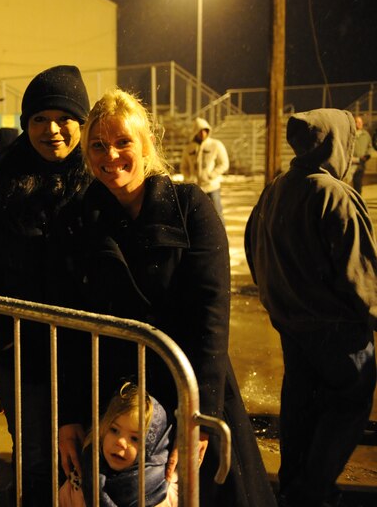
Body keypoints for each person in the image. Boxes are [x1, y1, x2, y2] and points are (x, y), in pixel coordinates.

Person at [57, 89, 275, 507]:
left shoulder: (189, 207)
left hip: (187, 388)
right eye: (98, 145)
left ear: (146, 145)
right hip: (116, 404)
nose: (111, 155)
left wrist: (202, 416)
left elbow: (212, 318)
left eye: (123, 142)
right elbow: (69, 327)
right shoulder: (78, 219)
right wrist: (70, 415)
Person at [0, 64, 93, 506]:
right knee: (37, 458)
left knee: (100, 458)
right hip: (26, 357)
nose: (51, 129)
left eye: (64, 118)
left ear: (83, 123)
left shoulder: (104, 181)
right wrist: (0, 341)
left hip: (96, 353)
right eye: (38, 119)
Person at [244, 108, 377, 507]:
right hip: (338, 332)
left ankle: (293, 488)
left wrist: (278, 301)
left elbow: (254, 248)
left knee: (300, 410)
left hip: (293, 327)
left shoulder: (277, 186)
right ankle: (313, 492)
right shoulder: (334, 194)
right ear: (337, 143)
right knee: (347, 405)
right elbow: (360, 275)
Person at [58, 382, 177, 507]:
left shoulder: (167, 496)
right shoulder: (78, 486)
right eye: (114, 430)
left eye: (135, 438)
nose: (120, 442)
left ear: (152, 448)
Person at [180, 117, 229, 221]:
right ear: (195, 132)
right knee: (196, 216)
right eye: (200, 131)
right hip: (196, 188)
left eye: (205, 130)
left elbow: (224, 163)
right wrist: (189, 178)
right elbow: (184, 167)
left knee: (217, 214)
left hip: (212, 187)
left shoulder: (215, 145)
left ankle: (220, 236)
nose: (203, 133)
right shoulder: (189, 148)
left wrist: (211, 175)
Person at [350, 114, 374, 194]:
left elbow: (370, 147)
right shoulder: (349, 134)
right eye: (357, 122)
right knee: (347, 185)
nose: (359, 124)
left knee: (358, 184)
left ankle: (357, 202)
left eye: (361, 122)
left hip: (361, 164)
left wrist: (367, 155)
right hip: (350, 164)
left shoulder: (366, 135)